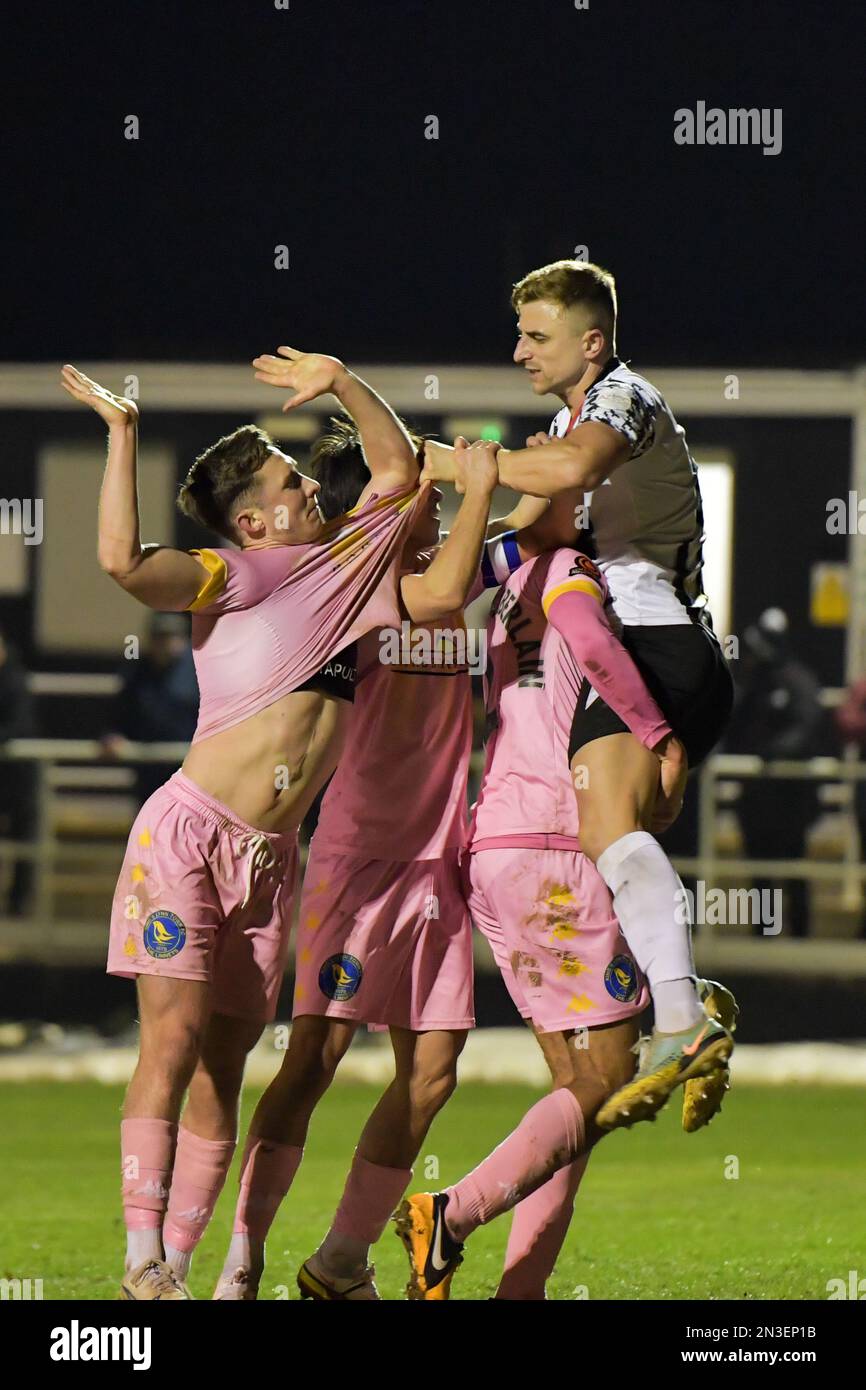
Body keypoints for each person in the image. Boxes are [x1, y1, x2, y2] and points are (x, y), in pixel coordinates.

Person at [60, 349, 499, 1301]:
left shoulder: (347, 574)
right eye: (290, 481)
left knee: (224, 1065)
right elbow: (124, 564)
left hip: (271, 861)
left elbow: (395, 469)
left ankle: (180, 1270)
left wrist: (342, 378)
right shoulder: (236, 572)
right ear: (256, 518)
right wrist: (123, 436)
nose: (310, 486)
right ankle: (140, 1257)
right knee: (171, 1049)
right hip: (190, 835)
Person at [213, 425, 558, 1301]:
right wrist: (475, 483)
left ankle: (337, 1261)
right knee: (317, 1057)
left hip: (440, 856)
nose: (434, 486)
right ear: (373, 499)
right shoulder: (338, 584)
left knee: (433, 1073)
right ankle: (240, 1262)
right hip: (360, 854)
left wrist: (550, 443)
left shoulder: (453, 561)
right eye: (417, 477)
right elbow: (437, 603)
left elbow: (541, 517)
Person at [422, 259, 735, 1128]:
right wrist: (427, 556)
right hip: (636, 656)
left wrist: (446, 461)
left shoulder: (622, 401)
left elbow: (565, 474)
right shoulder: (563, 426)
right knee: (609, 835)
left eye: (537, 334)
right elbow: (529, 537)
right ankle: (682, 1006)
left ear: (591, 342)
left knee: (608, 831)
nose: (519, 349)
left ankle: (682, 1015)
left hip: (659, 648)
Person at [396, 540, 737, 1299]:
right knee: (612, 1078)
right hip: (558, 844)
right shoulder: (570, 569)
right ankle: (450, 1213)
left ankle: (522, 1290)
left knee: (576, 1082)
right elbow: (587, 642)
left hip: (497, 846)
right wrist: (659, 736)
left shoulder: (501, 582)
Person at [102, 612, 199, 806]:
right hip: (149, 770)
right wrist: (114, 735)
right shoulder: (137, 674)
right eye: (159, 637)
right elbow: (121, 716)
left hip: (190, 771)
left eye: (172, 636)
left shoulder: (200, 672)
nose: (166, 644)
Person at [0, 625, 38, 916]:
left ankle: (19, 902)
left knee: (25, 839)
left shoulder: (14, 677)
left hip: (20, 777)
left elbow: (21, 724)